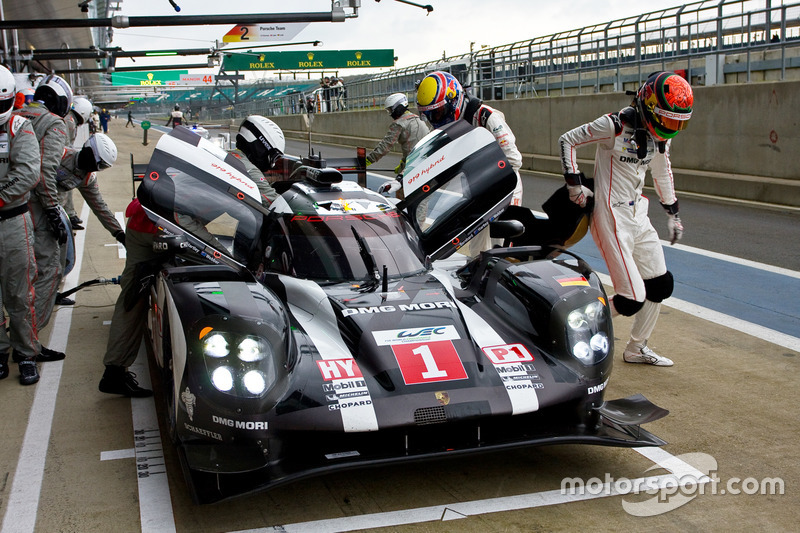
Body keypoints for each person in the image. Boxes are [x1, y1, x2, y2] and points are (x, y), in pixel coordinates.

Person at [558, 71, 694, 367]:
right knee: (630, 297)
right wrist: (574, 185)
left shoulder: (660, 139)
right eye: (667, 119)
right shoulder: (614, 126)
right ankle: (570, 327)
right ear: (648, 104)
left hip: (637, 213)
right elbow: (568, 140)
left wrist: (673, 213)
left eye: (677, 122)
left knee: (660, 285)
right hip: (611, 216)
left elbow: (661, 173)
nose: (670, 128)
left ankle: (636, 348)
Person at [13, 74, 73, 364]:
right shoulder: (53, 123)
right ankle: (29, 343)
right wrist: (52, 210)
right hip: (34, 208)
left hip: (9, 204)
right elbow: (45, 170)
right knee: (49, 269)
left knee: (14, 278)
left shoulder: (14, 115)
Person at [416, 71, 523, 205]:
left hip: (504, 183)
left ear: (453, 101)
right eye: (429, 114)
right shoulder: (443, 128)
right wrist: (402, 179)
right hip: (473, 185)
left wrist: (489, 183)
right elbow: (426, 156)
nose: (434, 119)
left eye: (437, 112)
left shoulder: (485, 116)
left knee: (506, 225)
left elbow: (513, 160)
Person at [0, 65, 44, 385]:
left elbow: (28, 174)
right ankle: (0, 353)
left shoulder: (20, 127)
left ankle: (26, 354)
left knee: (19, 294)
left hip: (13, 222)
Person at [98, 198, 156, 397]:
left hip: (143, 219)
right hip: (153, 225)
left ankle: (114, 371)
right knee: (133, 299)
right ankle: (114, 373)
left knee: (131, 298)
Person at [367, 93, 430, 196]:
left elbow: (385, 146)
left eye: (391, 110)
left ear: (398, 107)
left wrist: (368, 160)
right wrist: (403, 163)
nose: (390, 113)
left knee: (402, 202)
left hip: (410, 169)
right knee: (421, 201)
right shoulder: (419, 119)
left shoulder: (399, 123)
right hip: (427, 166)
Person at [227, 115, 284, 207]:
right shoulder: (249, 170)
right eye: (273, 157)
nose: (271, 165)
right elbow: (274, 203)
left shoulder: (228, 155)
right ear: (262, 147)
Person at [60, 95, 93, 232]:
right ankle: (67, 215)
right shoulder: (70, 122)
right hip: (60, 161)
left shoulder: (68, 118)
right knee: (65, 187)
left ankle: (69, 213)